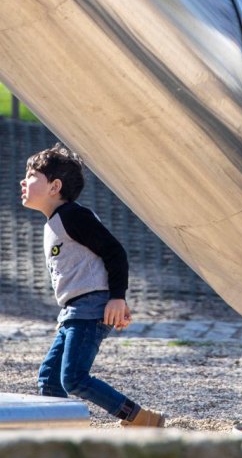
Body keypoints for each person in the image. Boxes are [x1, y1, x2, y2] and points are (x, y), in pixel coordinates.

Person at [20, 144, 165, 427]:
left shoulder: (73, 216)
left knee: (73, 378)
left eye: (32, 175)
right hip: (75, 310)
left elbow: (114, 252)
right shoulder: (54, 223)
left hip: (90, 308)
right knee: (50, 380)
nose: (23, 181)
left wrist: (117, 299)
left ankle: (139, 418)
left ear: (54, 186)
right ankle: (59, 434)